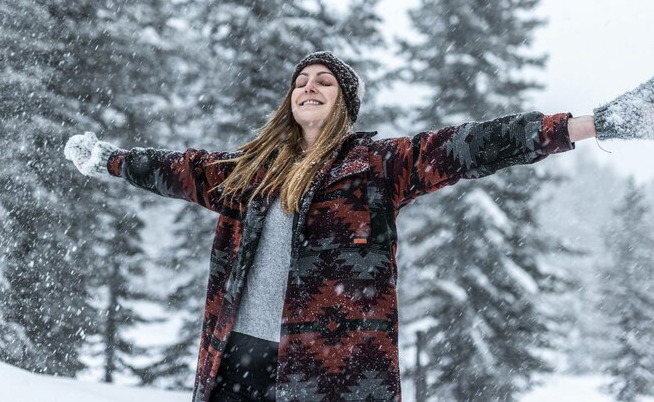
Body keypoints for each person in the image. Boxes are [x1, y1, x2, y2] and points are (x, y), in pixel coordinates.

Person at [65, 51, 653, 402]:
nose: (308, 87)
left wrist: (589, 124)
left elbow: (474, 145)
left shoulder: (378, 165)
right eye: (300, 82)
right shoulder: (249, 173)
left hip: (333, 370)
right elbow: (176, 168)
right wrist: (109, 160)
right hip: (237, 363)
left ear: (344, 102)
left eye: (323, 81)